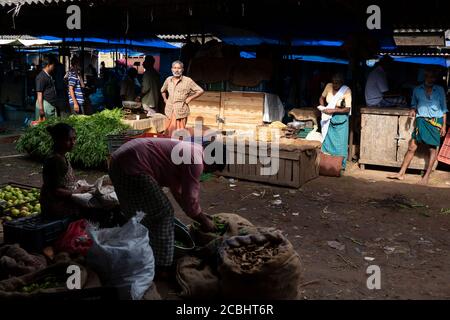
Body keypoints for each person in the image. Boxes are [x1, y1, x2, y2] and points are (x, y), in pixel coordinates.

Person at [109, 138, 225, 276]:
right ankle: (161, 266)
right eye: (214, 168)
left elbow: (177, 190)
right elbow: (190, 198)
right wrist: (204, 221)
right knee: (164, 212)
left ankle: (142, 251)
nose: (210, 171)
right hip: (131, 165)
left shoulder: (192, 150)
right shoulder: (196, 160)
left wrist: (197, 214)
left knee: (145, 213)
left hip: (120, 161)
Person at [388, 68, 448, 184]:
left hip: (435, 122)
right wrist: (412, 110)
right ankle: (401, 173)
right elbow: (414, 105)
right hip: (421, 121)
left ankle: (426, 177)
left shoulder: (439, 90)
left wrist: (444, 126)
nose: (431, 79)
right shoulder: (417, 90)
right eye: (429, 77)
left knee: (432, 149)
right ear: (424, 77)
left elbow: (444, 109)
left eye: (433, 77)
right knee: (412, 147)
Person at [39, 123, 91, 220]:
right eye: (68, 140)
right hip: (56, 207)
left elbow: (63, 183)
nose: (73, 142)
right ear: (57, 140)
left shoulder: (61, 157)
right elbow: (56, 191)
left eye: (74, 139)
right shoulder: (56, 160)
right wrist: (76, 191)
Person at [161, 60, 204, 136]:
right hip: (169, 110)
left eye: (179, 68)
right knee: (168, 132)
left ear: (182, 69)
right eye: (174, 68)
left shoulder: (188, 81)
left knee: (179, 134)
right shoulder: (168, 79)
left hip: (181, 110)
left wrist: (190, 98)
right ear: (171, 69)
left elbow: (200, 91)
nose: (176, 70)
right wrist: (165, 99)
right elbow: (162, 90)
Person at [318, 73, 352, 169]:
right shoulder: (328, 86)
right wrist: (323, 108)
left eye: (337, 83)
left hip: (341, 119)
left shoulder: (346, 90)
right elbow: (321, 98)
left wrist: (333, 110)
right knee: (327, 141)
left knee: (340, 143)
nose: (335, 85)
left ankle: (339, 165)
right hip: (328, 118)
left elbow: (347, 109)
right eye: (333, 82)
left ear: (342, 83)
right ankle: (326, 163)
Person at [35, 54, 58, 121]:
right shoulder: (41, 77)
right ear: (48, 65)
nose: (54, 67)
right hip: (45, 105)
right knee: (45, 126)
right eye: (53, 65)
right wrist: (41, 109)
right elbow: (39, 94)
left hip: (51, 104)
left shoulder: (49, 75)